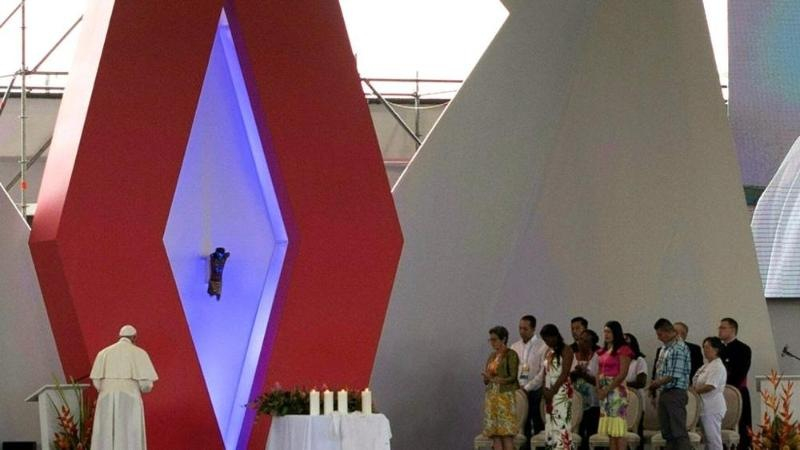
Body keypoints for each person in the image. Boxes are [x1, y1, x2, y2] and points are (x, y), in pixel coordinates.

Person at [90, 325, 158, 450]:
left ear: (119, 336)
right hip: (130, 397)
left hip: (106, 397)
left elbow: (96, 382)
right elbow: (146, 385)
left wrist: (106, 389)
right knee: (130, 432)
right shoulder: (140, 353)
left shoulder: (103, 353)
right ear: (134, 338)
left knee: (106, 432)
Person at [647, 319, 691, 450]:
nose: (658, 337)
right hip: (665, 392)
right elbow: (660, 370)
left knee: (678, 432)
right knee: (667, 433)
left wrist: (655, 384)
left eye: (660, 334)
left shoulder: (678, 348)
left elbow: (673, 375)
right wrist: (655, 388)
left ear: (667, 332)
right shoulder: (665, 348)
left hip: (675, 393)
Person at [510, 315, 548, 449]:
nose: (522, 331)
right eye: (520, 328)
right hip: (519, 391)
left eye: (525, 329)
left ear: (533, 329)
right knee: (521, 425)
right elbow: (512, 369)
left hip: (535, 391)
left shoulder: (543, 346)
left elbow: (543, 371)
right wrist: (518, 386)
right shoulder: (514, 346)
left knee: (537, 422)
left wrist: (528, 387)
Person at [596, 321, 633, 450]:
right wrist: (598, 389)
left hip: (616, 390)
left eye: (609, 332)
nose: (606, 334)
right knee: (611, 430)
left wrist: (607, 390)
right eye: (605, 331)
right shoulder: (603, 351)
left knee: (618, 428)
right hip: (604, 390)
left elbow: (622, 374)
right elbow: (598, 371)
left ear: (616, 333)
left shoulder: (623, 350)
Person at [483, 326, 521, 450]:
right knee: (495, 435)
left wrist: (497, 379)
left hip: (505, 397)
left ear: (503, 339)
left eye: (494, 339)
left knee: (506, 435)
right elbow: (487, 379)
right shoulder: (492, 356)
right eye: (490, 340)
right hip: (492, 397)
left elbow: (513, 377)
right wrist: (487, 378)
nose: (492, 343)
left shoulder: (511, 354)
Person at [718, 317, 752, 450]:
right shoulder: (719, 350)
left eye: (723, 327)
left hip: (737, 392)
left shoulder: (743, 349)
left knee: (742, 426)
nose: (719, 330)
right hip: (720, 393)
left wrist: (725, 384)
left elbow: (741, 372)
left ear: (732, 329)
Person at [540, 324, 575, 449]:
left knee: (561, 425)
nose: (546, 342)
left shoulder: (566, 350)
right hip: (549, 391)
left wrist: (553, 391)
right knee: (551, 425)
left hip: (561, 392)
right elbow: (545, 372)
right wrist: (545, 389)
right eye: (544, 340)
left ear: (554, 336)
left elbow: (564, 373)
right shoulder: (549, 352)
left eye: (547, 339)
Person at [691, 337, 727, 450]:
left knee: (713, 440)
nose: (704, 350)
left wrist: (693, 392)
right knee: (707, 440)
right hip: (704, 406)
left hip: (712, 407)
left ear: (716, 349)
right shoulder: (706, 365)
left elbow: (711, 385)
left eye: (707, 347)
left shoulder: (717, 366)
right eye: (704, 347)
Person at [571, 329, 600, 450]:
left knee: (592, 433)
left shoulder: (597, 358)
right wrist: (575, 373)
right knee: (577, 433)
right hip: (576, 403)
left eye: (585, 341)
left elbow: (598, 381)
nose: (580, 343)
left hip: (592, 403)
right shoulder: (573, 356)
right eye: (580, 339)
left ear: (591, 343)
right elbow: (567, 377)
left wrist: (584, 374)